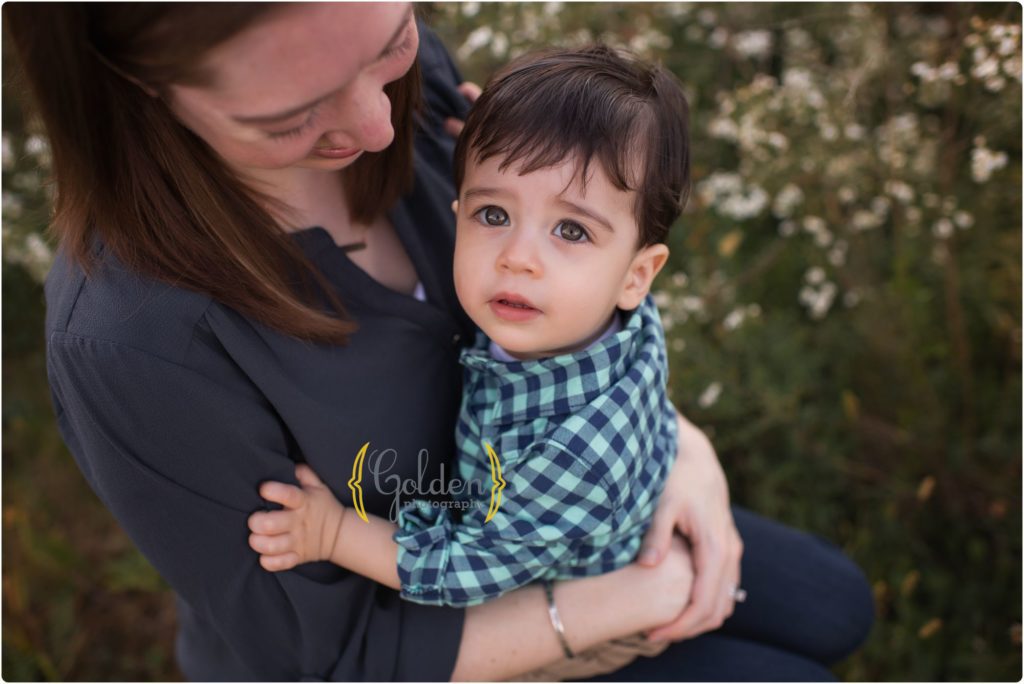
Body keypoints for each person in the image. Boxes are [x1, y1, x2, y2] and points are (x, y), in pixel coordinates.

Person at [6, 3, 875, 681]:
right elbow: (340, 655)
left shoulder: (406, 83)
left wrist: (685, 452)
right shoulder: (133, 345)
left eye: (391, 42)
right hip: (443, 637)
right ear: (130, 84)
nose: (382, 125)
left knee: (838, 607)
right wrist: (617, 604)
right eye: (292, 116)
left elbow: (591, 305)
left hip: (563, 503)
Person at [246, 44, 695, 682]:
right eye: (493, 213)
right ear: (459, 218)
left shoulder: (574, 449)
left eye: (571, 231)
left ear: (637, 275)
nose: (517, 256)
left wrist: (332, 534)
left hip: (569, 613)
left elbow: (466, 571)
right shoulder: (591, 322)